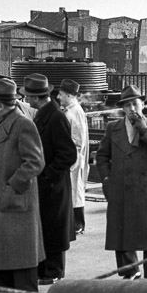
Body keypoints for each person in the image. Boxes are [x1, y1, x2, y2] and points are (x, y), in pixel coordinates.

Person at [96, 85, 147, 279]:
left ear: (143, 105)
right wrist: (106, 179)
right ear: (122, 108)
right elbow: (102, 155)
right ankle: (130, 272)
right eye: (127, 105)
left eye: (135, 104)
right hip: (119, 189)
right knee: (121, 234)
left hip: (145, 191)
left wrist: (144, 130)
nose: (131, 109)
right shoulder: (114, 128)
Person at [0, 78, 46, 293]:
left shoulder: (22, 124)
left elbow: (35, 162)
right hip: (2, 204)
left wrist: (12, 186)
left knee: (21, 262)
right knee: (3, 261)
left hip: (14, 202)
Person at [20, 74, 77, 285]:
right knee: (46, 228)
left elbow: (68, 154)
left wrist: (47, 174)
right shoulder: (45, 115)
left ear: (35, 98)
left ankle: (53, 271)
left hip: (54, 185)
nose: (25, 100)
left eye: (27, 97)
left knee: (54, 230)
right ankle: (45, 270)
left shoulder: (55, 117)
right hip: (46, 185)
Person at [57, 79, 90, 234]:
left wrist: (72, 160)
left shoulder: (75, 112)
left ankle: (78, 224)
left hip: (74, 158)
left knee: (75, 189)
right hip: (71, 156)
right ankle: (74, 223)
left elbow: (78, 140)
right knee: (73, 190)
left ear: (70, 95)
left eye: (61, 94)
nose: (58, 97)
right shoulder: (69, 110)